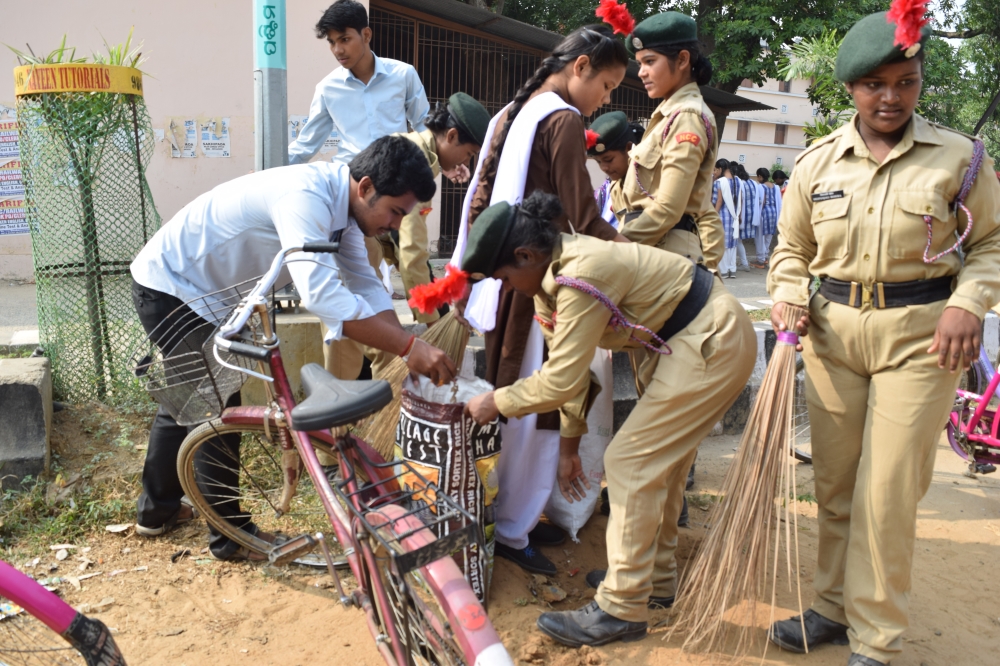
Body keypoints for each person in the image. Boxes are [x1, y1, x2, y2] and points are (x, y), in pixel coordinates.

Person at [766, 6, 1000, 666]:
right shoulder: (816, 165)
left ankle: (877, 638)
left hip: (923, 340)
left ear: (921, 80)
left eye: (906, 81)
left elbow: (989, 245)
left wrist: (971, 302)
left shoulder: (961, 159)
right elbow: (790, 249)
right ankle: (832, 608)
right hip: (833, 338)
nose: (891, 97)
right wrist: (785, 295)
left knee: (887, 490)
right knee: (836, 486)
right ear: (850, 90)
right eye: (875, 85)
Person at [130, 136, 457, 560]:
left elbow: (367, 289)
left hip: (210, 293)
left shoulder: (345, 217)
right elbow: (321, 295)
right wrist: (409, 346)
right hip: (173, 285)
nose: (396, 225)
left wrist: (404, 349)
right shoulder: (308, 198)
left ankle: (155, 512)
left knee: (189, 396)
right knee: (214, 405)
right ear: (365, 187)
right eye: (395, 211)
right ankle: (230, 539)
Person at [463, 191, 756, 647]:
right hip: (687, 341)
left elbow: (558, 382)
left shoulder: (579, 273)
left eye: (503, 276)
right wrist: (569, 447)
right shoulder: (549, 284)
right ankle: (651, 581)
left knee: (630, 462)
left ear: (524, 255)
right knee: (661, 468)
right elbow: (569, 375)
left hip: (712, 338)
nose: (504, 286)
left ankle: (621, 608)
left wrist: (496, 402)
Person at [453, 21, 629, 576]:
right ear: (581, 68)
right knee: (533, 400)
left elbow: (478, 198)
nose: (605, 100)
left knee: (514, 393)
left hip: (506, 276)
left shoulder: (515, 109)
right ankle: (512, 526)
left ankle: (515, 515)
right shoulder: (562, 119)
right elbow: (582, 215)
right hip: (538, 283)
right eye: (606, 86)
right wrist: (634, 255)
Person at [362, 93, 491, 377]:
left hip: (357, 258)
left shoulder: (411, 147)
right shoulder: (415, 165)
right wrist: (435, 323)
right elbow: (411, 255)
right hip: (353, 257)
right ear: (452, 135)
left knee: (356, 357)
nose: (464, 162)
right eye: (468, 154)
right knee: (380, 355)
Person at [616, 12, 724, 271]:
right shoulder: (668, 114)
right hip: (648, 246)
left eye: (650, 61)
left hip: (665, 253)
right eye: (640, 63)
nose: (641, 72)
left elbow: (668, 209)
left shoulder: (686, 116)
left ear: (683, 59)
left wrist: (614, 246)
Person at [288, 0, 429, 167]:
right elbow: (306, 144)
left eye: (345, 39)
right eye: (332, 42)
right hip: (351, 180)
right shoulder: (327, 88)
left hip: (396, 179)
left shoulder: (403, 74)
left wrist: (446, 162)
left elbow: (423, 123)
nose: (337, 50)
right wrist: (265, 170)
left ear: (366, 35)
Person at [587, 110, 646, 228]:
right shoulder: (609, 190)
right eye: (598, 161)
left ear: (629, 148)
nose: (604, 167)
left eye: (608, 159)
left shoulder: (647, 183)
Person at [715, 159, 741, 279]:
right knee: (732, 244)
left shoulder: (720, 182)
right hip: (734, 216)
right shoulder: (738, 181)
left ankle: (724, 271)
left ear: (720, 169)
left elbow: (719, 201)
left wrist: (713, 215)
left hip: (723, 216)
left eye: (716, 169)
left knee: (723, 244)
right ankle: (732, 270)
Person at [754, 167, 781, 267]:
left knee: (760, 236)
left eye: (758, 177)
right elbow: (779, 202)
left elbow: (762, 201)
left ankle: (760, 259)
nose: (757, 179)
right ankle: (765, 256)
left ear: (760, 176)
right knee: (769, 236)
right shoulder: (776, 187)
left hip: (764, 213)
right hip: (774, 212)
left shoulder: (760, 187)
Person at [736, 164, 758, 271]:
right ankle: (744, 263)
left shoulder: (740, 183)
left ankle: (744, 264)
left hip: (742, 215)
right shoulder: (753, 182)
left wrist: (739, 216)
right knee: (739, 240)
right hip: (752, 215)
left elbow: (740, 200)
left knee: (737, 240)